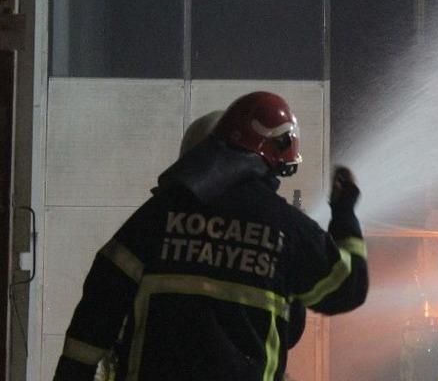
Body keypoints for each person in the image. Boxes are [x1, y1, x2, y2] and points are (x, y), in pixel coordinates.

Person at [53, 91, 368, 381]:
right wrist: (344, 213)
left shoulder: (159, 214)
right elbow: (347, 288)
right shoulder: (285, 227)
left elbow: (99, 303)